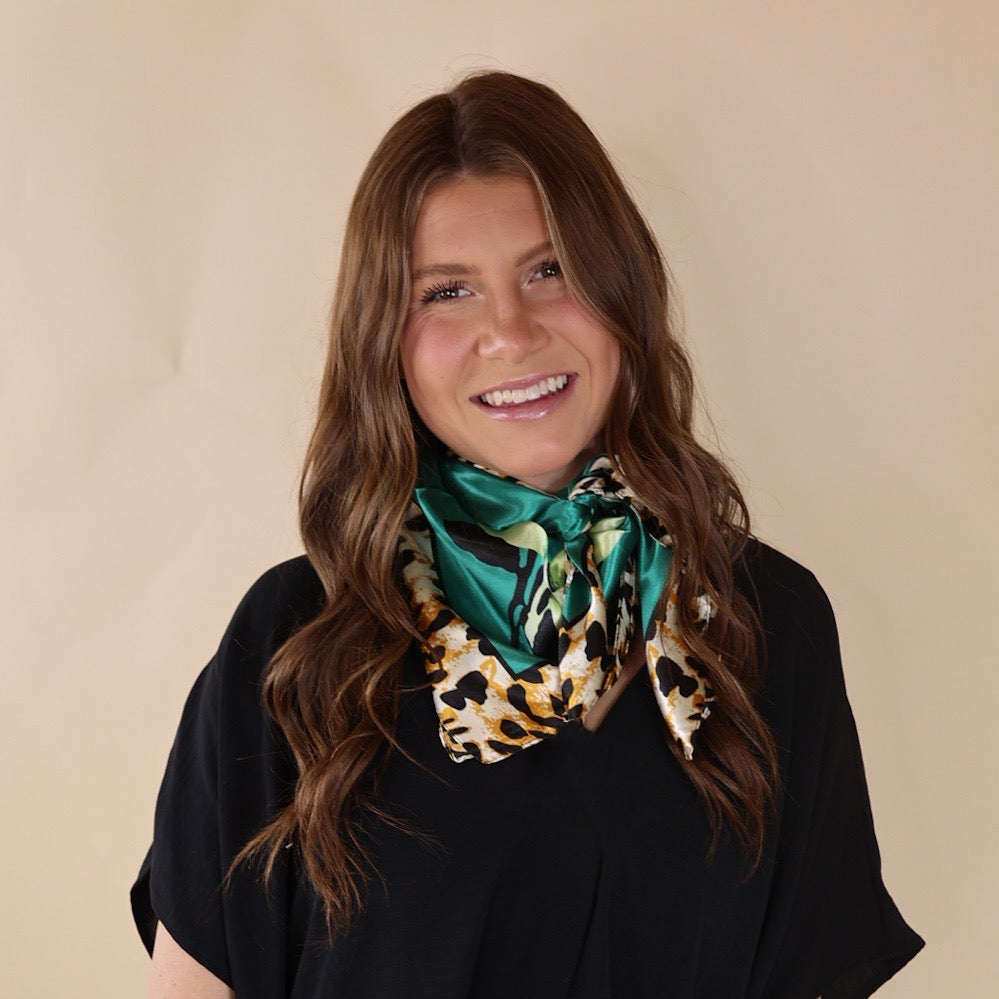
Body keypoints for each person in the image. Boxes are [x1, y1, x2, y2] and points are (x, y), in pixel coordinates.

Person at [132, 71, 923, 998]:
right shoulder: (298, 641)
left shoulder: (764, 625)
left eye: (549, 271)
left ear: (619, 290)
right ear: (384, 339)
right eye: (446, 292)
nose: (508, 330)